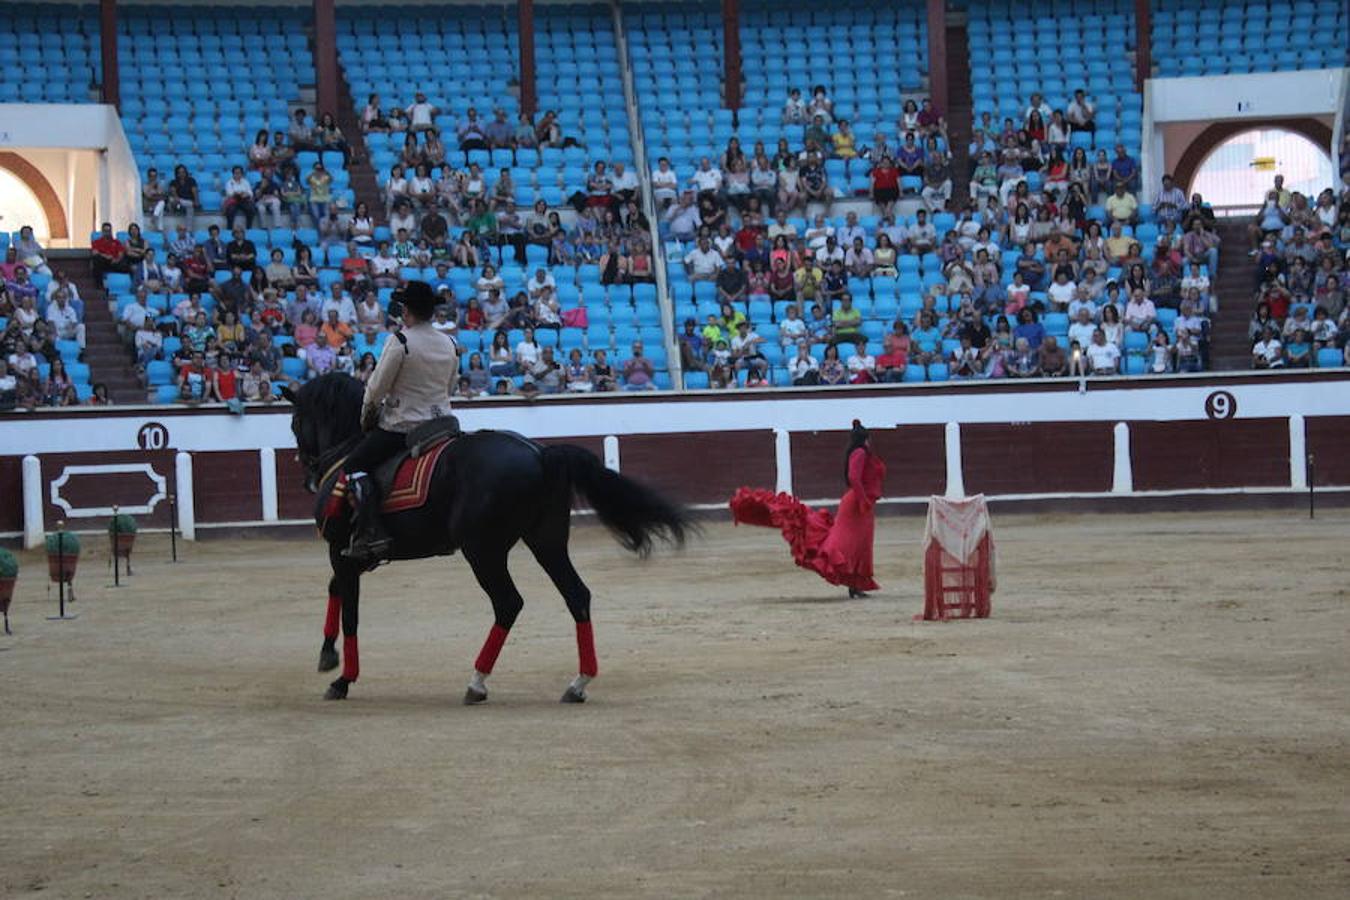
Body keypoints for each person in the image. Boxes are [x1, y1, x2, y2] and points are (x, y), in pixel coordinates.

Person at [340, 281, 458, 562]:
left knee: (353, 466)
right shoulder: (451, 343)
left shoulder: (401, 341)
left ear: (406, 312)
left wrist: (367, 417)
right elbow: (450, 387)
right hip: (444, 425)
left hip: (404, 427)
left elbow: (376, 389)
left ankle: (372, 531)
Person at [730, 420, 886, 598]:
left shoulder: (859, 453)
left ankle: (854, 586)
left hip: (860, 503)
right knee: (849, 544)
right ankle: (853, 585)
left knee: (859, 545)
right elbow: (854, 477)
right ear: (865, 439)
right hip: (857, 504)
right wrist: (863, 499)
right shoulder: (860, 453)